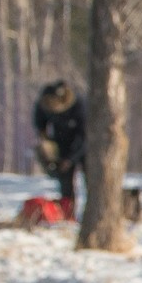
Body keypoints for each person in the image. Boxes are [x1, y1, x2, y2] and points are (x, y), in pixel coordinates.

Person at [34, 80, 87, 214]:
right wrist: (46, 144)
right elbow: (40, 124)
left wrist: (70, 159)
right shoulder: (44, 104)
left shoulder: (79, 106)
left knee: (93, 181)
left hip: (83, 146)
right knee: (65, 183)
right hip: (61, 142)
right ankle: (67, 214)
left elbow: (84, 136)